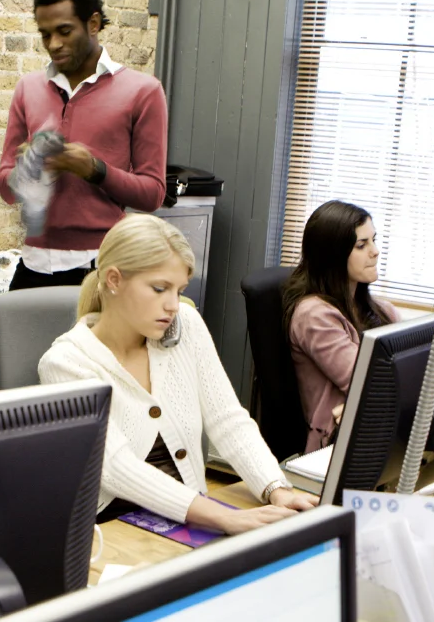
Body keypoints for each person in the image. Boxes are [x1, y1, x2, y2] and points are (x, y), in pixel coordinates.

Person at [38, 215, 316, 535]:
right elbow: (115, 466)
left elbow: (227, 419)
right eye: (159, 289)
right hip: (111, 530)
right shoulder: (65, 363)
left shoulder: (185, 324)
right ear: (114, 279)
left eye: (179, 289)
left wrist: (275, 488)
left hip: (191, 516)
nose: (173, 305)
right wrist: (222, 516)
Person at [284, 201, 434, 454]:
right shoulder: (314, 315)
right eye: (361, 245)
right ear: (333, 254)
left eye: (373, 240)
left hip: (384, 430)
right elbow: (369, 381)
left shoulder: (380, 310)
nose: (375, 251)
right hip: (339, 444)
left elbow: (413, 360)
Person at [0, 0, 168, 290]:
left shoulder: (142, 92)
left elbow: (152, 194)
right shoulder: (28, 89)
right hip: (32, 264)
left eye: (64, 31)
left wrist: (93, 169)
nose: (53, 44)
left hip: (101, 268)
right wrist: (26, 168)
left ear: (93, 23)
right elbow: (6, 189)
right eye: (45, 34)